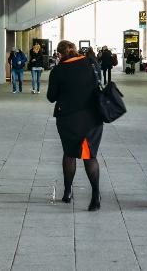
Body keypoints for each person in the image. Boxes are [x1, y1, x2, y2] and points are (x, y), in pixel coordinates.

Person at [46, 40, 103, 211]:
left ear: (60, 54)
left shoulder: (58, 71)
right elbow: (98, 81)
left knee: (69, 153)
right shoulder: (90, 63)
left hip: (69, 119)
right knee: (89, 155)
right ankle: (95, 194)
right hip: (92, 117)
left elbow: (51, 97)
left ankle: (68, 191)